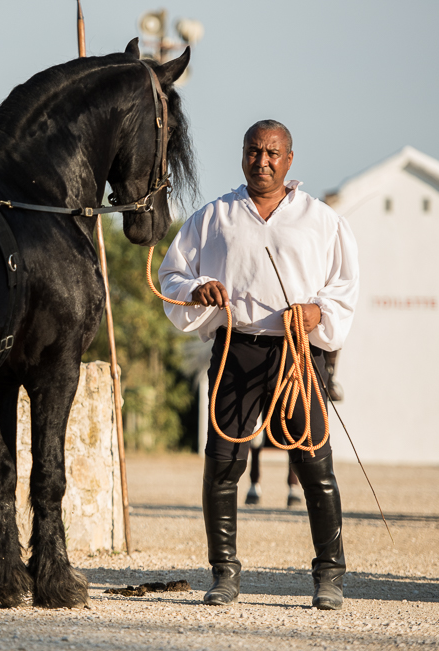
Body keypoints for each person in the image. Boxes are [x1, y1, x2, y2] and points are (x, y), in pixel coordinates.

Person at [158, 120, 359, 610]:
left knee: (315, 464)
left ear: (289, 160)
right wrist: (195, 290)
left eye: (273, 153)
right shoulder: (214, 216)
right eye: (254, 151)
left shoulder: (321, 219)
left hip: (297, 353)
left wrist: (316, 313)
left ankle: (329, 574)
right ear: (242, 156)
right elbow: (172, 274)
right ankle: (223, 572)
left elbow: (343, 287)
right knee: (224, 462)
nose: (262, 161)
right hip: (236, 348)